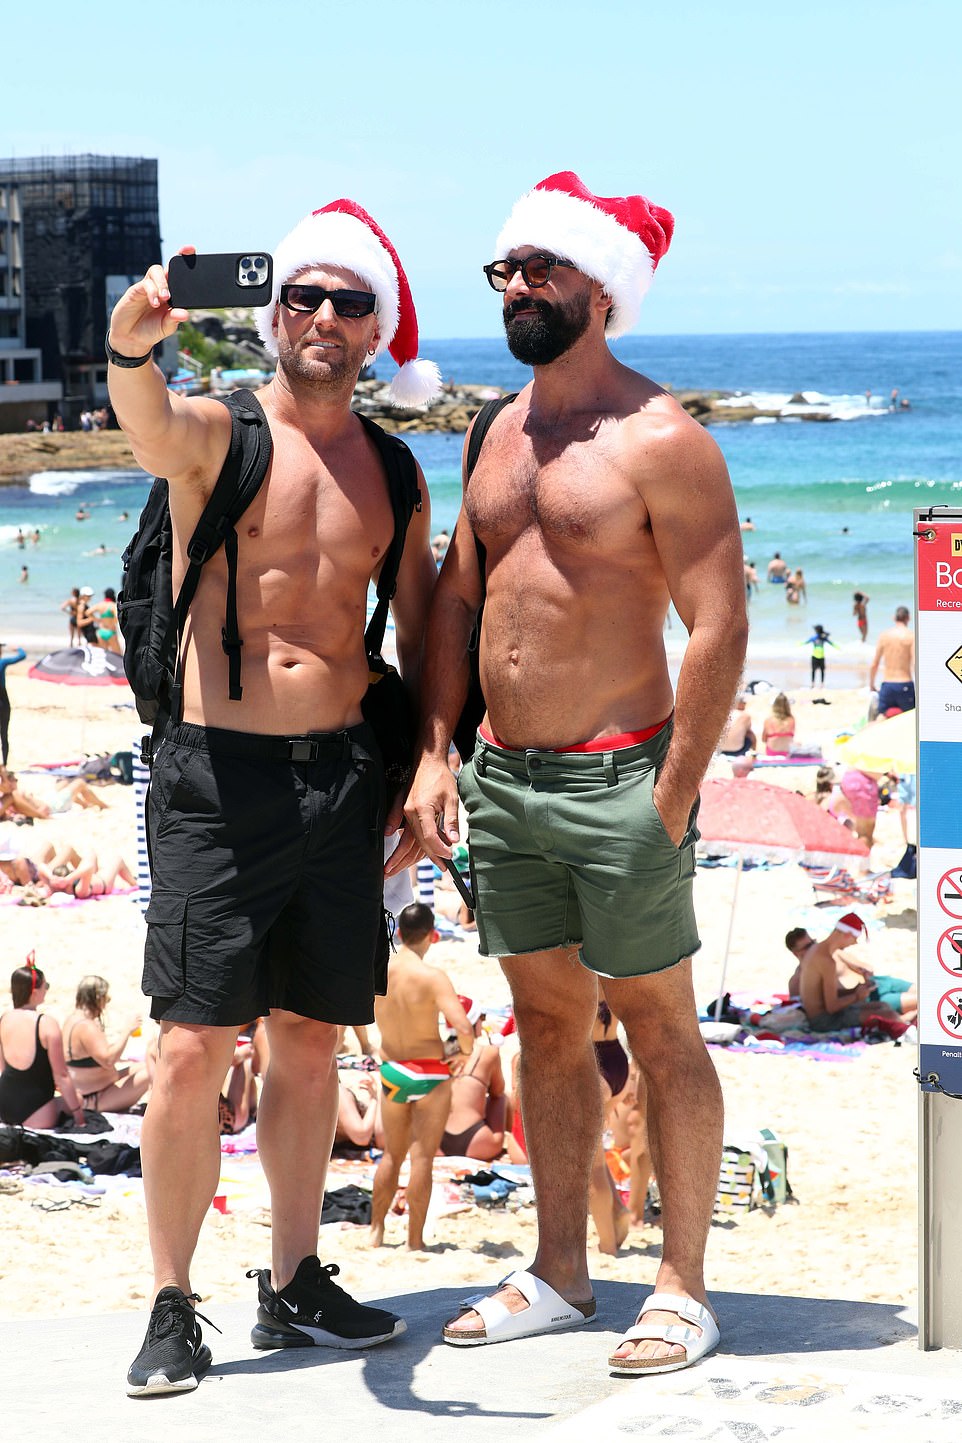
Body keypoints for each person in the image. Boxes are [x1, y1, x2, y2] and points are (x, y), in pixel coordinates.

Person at [401, 171, 746, 1373]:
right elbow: (460, 593)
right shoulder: (495, 432)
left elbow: (716, 625)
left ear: (600, 289)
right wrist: (437, 751)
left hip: (620, 781)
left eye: (539, 270)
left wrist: (674, 792)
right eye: (504, 272)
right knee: (545, 1022)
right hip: (501, 779)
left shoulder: (665, 441)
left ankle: (685, 1286)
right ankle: (558, 1270)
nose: (516, 290)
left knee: (657, 1028)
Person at [107, 199, 439, 1396]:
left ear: (375, 330)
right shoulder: (218, 435)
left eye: (350, 302)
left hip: (341, 777)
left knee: (308, 1038)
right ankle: (171, 1300)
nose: (323, 318)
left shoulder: (394, 471)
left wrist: (436, 755)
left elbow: (425, 622)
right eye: (303, 295)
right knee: (194, 1045)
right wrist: (131, 346)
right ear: (271, 315)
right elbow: (147, 427)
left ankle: (293, 1278)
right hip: (216, 774)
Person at [369, 903, 474, 1248]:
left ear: (399, 933)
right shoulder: (432, 977)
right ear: (432, 935)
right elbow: (461, 1027)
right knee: (422, 1157)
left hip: (393, 1069)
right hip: (429, 1070)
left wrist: (367, 1048)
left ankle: (376, 1231)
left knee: (391, 1156)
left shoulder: (380, 970)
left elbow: (356, 1016)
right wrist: (464, 1053)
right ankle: (414, 1240)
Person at [784, 916, 914, 1029]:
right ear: (846, 935)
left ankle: (911, 1017)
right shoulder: (826, 960)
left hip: (838, 1006)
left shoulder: (819, 952)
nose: (854, 943)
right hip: (824, 1021)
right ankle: (909, 1021)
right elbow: (831, 1007)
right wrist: (857, 996)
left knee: (884, 1006)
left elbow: (823, 996)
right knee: (889, 1014)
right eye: (855, 938)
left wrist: (857, 991)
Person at [0, 960, 86, 1128]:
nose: (46, 990)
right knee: (79, 1099)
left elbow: (3, 1069)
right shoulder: (47, 1024)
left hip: (4, 1106)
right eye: (45, 986)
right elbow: (62, 1076)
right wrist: (80, 1119)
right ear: (34, 993)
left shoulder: (3, 1019)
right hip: (38, 1112)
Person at [62, 975, 154, 1112]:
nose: (107, 1003)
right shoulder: (87, 1027)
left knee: (143, 1065)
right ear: (98, 999)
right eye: (106, 999)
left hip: (91, 1091)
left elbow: (97, 1055)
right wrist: (127, 1031)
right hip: (94, 1098)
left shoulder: (72, 1020)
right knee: (153, 1071)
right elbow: (109, 1060)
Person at [439, 999, 507, 1162]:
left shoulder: (437, 1051)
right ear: (475, 1022)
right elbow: (498, 1091)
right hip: (477, 1142)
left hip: (436, 1142)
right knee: (500, 1097)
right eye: (481, 1018)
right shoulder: (488, 1052)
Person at [869, 606, 915, 714]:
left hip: (887, 685)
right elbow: (915, 664)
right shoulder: (912, 636)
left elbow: (874, 664)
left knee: (882, 718)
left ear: (894, 618)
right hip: (905, 684)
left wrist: (872, 685)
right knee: (909, 718)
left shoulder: (884, 635)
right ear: (908, 618)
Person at [0, 643, 26, 767]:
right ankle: (5, 765)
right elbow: (22, 656)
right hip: (3, 702)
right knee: (4, 735)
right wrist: (17, 648)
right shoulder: (2, 662)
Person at [802, 624, 837, 690]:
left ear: (817, 630)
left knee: (818, 671)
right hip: (817, 656)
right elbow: (832, 643)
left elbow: (805, 642)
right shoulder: (818, 638)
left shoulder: (821, 638)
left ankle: (818, 684)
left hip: (818, 657)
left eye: (815, 629)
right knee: (818, 671)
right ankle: (816, 684)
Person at [91, 587, 121, 653]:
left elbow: (88, 612)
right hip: (111, 632)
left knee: (103, 655)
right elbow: (117, 616)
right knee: (118, 655)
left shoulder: (100, 604)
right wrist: (114, 622)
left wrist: (97, 620)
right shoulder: (113, 605)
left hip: (101, 632)